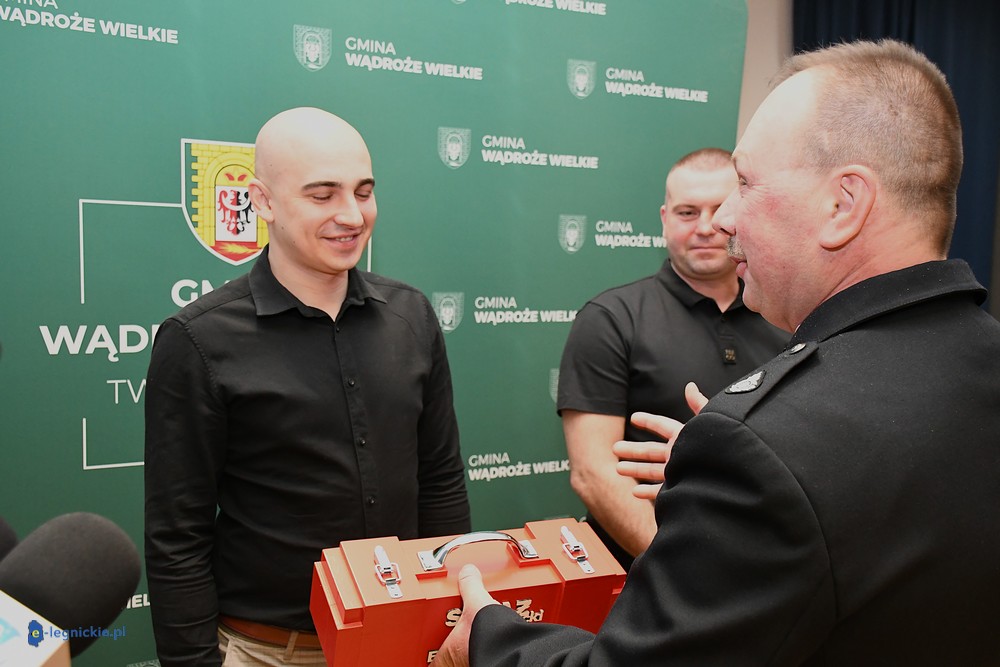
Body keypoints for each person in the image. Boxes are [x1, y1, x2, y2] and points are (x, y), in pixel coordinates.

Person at [433, 39, 1000, 665]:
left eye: (746, 184)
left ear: (844, 204)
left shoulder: (768, 447)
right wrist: (729, 491)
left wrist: (489, 640)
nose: (723, 219)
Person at [145, 107, 471, 666]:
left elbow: (439, 483)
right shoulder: (198, 339)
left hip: (404, 640)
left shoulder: (412, 316)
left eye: (364, 192)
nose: (352, 215)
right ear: (263, 201)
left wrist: (453, 618)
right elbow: (178, 536)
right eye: (323, 195)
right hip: (268, 651)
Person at [558, 148, 787, 569]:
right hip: (644, 574)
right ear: (665, 219)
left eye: (717, 209)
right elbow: (593, 473)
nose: (705, 227)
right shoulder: (612, 318)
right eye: (687, 212)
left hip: (770, 565)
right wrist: (680, 571)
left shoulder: (787, 317)